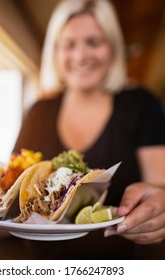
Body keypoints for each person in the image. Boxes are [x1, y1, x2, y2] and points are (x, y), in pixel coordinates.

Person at [12, 0, 165, 259]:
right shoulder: (38, 112)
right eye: (69, 44)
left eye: (94, 42)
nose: (81, 56)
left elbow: (159, 186)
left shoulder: (141, 105)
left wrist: (157, 205)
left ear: (113, 48)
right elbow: (13, 189)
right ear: (56, 52)